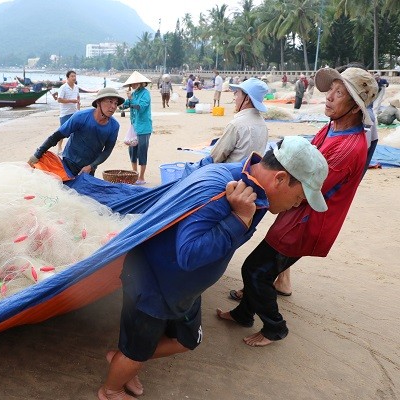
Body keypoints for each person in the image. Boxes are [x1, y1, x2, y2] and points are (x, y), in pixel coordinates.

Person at [97, 136, 329, 400]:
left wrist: (241, 216)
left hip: (182, 290)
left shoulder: (252, 191)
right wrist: (239, 218)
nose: (298, 204)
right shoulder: (223, 192)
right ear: (279, 179)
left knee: (186, 340)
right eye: (300, 196)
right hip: (153, 286)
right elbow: (189, 255)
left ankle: (124, 359)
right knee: (137, 350)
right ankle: (111, 388)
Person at [218, 67, 378, 347]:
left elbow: (308, 188)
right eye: (331, 90)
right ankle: (244, 314)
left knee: (255, 271)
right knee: (260, 269)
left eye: (339, 93)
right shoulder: (330, 128)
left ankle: (275, 327)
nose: (328, 97)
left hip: (308, 223)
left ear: (355, 106)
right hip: (294, 216)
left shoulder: (349, 148)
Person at [28, 87, 124, 177]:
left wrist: (92, 166)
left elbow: (107, 151)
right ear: (98, 102)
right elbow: (56, 136)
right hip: (69, 163)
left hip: (89, 168)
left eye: (115, 103)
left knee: (83, 194)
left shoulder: (114, 126)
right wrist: (37, 154)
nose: (113, 106)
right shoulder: (80, 117)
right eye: (110, 102)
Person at [209, 77, 269, 163]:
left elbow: (215, 156)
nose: (234, 98)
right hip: (251, 173)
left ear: (247, 99)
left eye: (236, 94)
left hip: (231, 174)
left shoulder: (236, 125)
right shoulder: (263, 124)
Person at [121, 71, 152, 185]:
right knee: (132, 151)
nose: (133, 85)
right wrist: (126, 100)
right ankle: (135, 174)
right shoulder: (133, 94)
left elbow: (141, 107)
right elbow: (124, 105)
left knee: (142, 152)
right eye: (132, 84)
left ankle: (142, 177)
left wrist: (131, 100)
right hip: (134, 126)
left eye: (135, 83)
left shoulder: (145, 93)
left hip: (144, 127)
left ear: (140, 83)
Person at [56, 70, 80, 156]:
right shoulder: (63, 88)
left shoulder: (76, 87)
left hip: (75, 112)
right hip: (65, 113)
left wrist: (78, 109)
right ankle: (59, 148)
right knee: (63, 132)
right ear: (67, 78)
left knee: (76, 131)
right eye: (72, 76)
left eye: (75, 76)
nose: (74, 78)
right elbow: (59, 99)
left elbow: (78, 97)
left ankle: (73, 148)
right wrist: (71, 101)